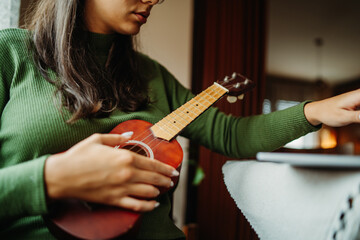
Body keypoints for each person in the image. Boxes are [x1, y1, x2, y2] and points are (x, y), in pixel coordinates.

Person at [0, 0, 359, 239]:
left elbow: (233, 134)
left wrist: (317, 111)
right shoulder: (10, 53)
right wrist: (48, 180)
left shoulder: (153, 75)